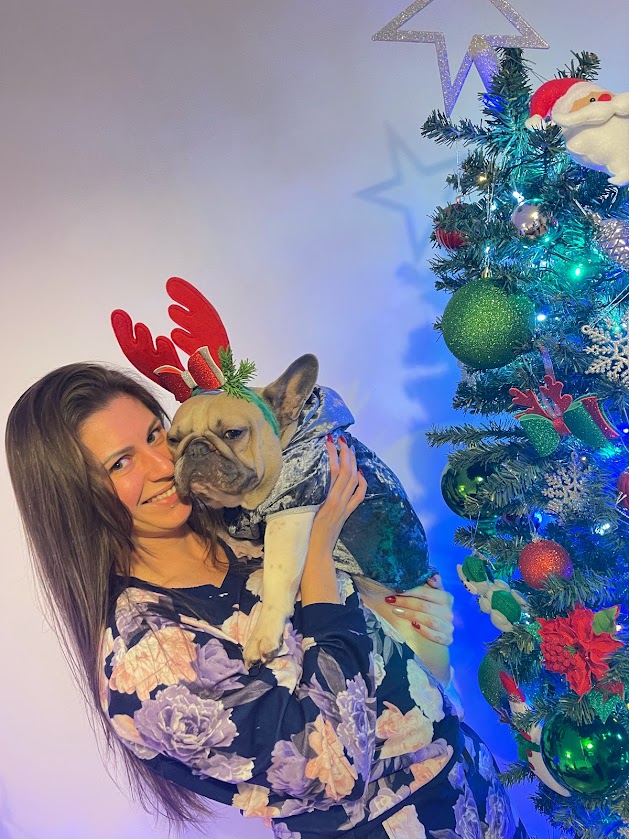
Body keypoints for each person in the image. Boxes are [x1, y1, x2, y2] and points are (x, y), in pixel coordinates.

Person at [6, 363, 528, 838]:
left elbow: (370, 606)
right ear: (75, 499)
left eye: (156, 435)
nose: (163, 464)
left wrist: (411, 613)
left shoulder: (232, 521)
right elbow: (334, 770)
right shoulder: (145, 662)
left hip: (474, 793)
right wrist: (317, 553)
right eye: (121, 463)